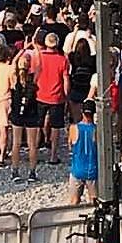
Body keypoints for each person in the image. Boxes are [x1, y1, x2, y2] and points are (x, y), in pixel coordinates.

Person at [35, 32, 69, 165]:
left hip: (40, 94)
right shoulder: (63, 60)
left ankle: (35, 153)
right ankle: (53, 155)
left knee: (37, 124)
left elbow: (35, 75)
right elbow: (65, 80)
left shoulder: (39, 57)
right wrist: (66, 95)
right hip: (56, 97)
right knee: (56, 127)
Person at [10, 55, 39, 183]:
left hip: (17, 113)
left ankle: (15, 171)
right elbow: (40, 65)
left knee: (16, 143)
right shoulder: (33, 80)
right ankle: (32, 172)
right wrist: (35, 48)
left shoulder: (14, 79)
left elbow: (13, 64)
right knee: (32, 144)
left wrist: (21, 51)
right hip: (31, 113)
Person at [68, 99, 98, 205]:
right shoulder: (96, 130)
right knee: (94, 202)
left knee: (74, 201)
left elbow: (70, 146)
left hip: (77, 169)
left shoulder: (74, 128)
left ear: (82, 112)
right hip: (92, 170)